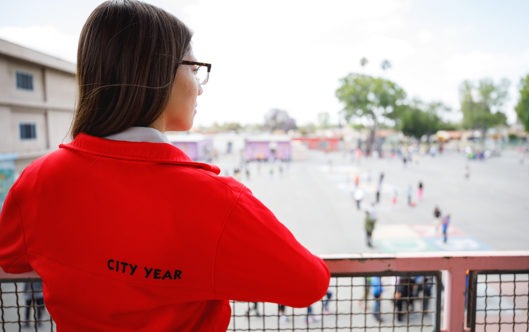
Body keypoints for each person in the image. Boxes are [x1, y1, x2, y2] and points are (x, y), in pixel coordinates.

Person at [0, 1, 329, 331]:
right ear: (157, 72)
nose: (200, 86)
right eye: (195, 68)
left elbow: (10, 259)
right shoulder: (214, 201)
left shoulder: (39, 180)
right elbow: (309, 283)